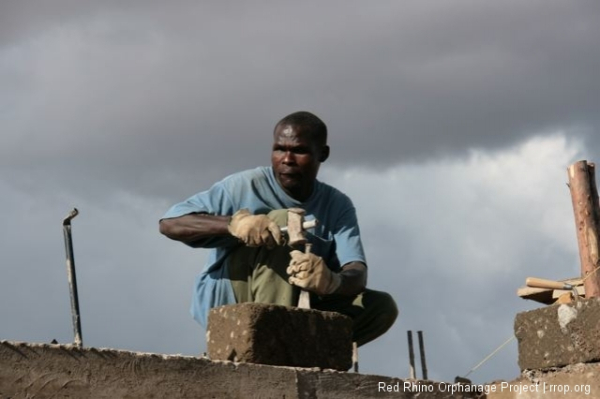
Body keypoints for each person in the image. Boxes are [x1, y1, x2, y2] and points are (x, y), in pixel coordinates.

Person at [159, 111, 397, 346]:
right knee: (285, 221)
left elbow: (356, 271)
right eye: (280, 149)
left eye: (299, 151)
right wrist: (234, 224)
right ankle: (266, 348)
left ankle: (301, 352)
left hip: (298, 310)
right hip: (232, 303)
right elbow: (170, 224)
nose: (287, 159)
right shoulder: (245, 185)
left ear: (322, 154)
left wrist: (332, 281)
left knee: (380, 306)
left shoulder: (337, 205)